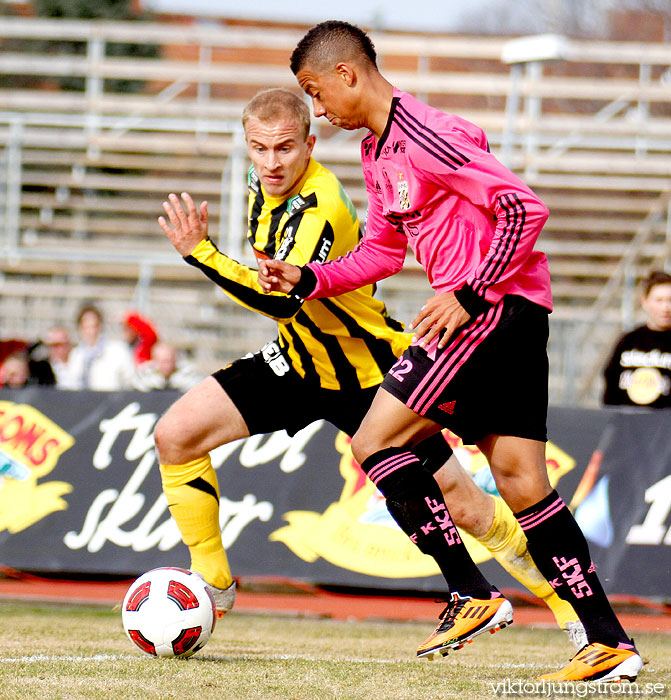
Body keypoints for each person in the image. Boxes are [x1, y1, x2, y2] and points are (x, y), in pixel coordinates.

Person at [257, 22, 642, 682]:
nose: (317, 109)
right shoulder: (378, 153)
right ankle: (607, 644)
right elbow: (382, 251)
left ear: (347, 75)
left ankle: (469, 592)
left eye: (316, 94)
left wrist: (467, 292)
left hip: (486, 313)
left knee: (373, 441)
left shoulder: (426, 132)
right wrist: (310, 278)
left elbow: (524, 210)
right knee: (522, 481)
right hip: (511, 314)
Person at [154, 88, 583, 647]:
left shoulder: (319, 202)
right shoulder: (262, 189)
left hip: (366, 370)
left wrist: (201, 253)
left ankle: (569, 612)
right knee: (175, 436)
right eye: (259, 149)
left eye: (285, 148)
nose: (272, 161)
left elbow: (285, 298)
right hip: (300, 362)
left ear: (310, 144)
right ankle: (212, 583)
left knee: (470, 509)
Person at [603, 270, 671, 408]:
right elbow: (610, 383)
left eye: (670, 300)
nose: (666, 307)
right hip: (629, 424)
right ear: (645, 302)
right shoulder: (628, 340)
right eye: (659, 300)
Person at [65, 304, 136, 390]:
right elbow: (71, 384)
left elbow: (129, 383)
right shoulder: (76, 355)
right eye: (86, 327)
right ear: (80, 329)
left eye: (94, 326)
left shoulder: (118, 351)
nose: (91, 332)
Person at [133, 341, 202, 392]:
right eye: (163, 362)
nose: (167, 366)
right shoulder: (144, 375)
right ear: (155, 361)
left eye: (169, 361)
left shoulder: (188, 375)